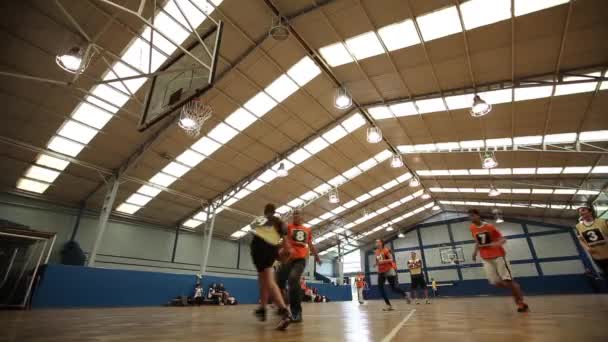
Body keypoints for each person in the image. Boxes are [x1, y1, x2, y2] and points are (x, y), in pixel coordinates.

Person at [469, 209, 529, 312]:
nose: (471, 218)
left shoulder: (489, 227)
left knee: (508, 281)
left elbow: (503, 239)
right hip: (485, 258)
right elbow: (477, 241)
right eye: (469, 216)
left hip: (498, 256)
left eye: (473, 215)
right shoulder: (472, 228)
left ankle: (520, 303)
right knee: (495, 282)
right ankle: (514, 286)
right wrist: (475, 252)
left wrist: (495, 244)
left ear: (478, 215)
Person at [250, 203, 292, 330]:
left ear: (265, 211)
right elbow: (285, 241)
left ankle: (284, 311)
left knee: (267, 281)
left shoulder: (260, 219)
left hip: (259, 249)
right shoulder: (279, 222)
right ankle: (263, 308)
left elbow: (253, 227)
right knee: (263, 280)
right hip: (271, 250)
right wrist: (286, 250)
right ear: (274, 211)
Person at [276, 210, 321, 323]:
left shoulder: (307, 230)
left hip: (300, 259)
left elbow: (310, 244)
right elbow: (282, 237)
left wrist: (317, 257)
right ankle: (281, 305)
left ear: (302, 217)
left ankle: (296, 313)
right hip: (288, 258)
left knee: (293, 279)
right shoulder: (288, 227)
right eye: (294, 214)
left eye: (298, 214)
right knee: (278, 280)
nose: (296, 216)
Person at [374, 239, 410, 311]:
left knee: (393, 288)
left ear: (381, 243)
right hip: (381, 271)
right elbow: (378, 260)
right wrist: (376, 263)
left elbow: (391, 259)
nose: (376, 243)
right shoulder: (376, 252)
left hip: (388, 270)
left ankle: (405, 294)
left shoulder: (386, 250)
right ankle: (389, 305)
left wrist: (383, 261)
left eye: (378, 242)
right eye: (376, 242)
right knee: (380, 288)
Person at [575, 206, 608, 277]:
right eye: (579, 212)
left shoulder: (603, 221)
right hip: (597, 256)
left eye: (583, 210)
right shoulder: (578, 226)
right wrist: (586, 247)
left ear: (590, 212)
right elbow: (580, 239)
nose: (581, 212)